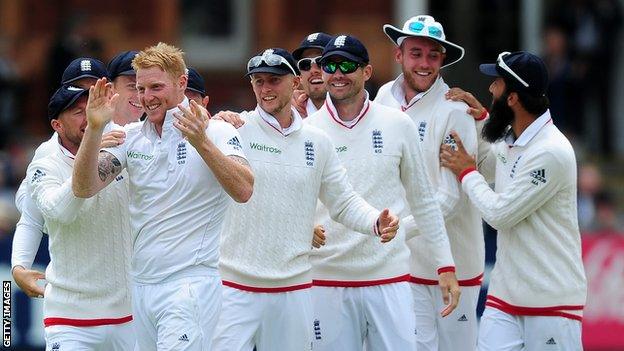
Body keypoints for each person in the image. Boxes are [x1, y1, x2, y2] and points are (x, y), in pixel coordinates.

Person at [212, 47, 399, 351]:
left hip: (294, 289)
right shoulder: (233, 130)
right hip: (234, 288)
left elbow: (343, 201)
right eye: (258, 81)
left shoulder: (317, 141)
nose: (265, 88)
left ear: (295, 83)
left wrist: (375, 222)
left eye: (274, 80)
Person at [72, 42, 254, 350]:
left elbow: (244, 190)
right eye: (141, 89)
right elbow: (83, 188)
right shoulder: (131, 138)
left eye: (156, 87)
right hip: (141, 287)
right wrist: (93, 129)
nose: (147, 98)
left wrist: (201, 142)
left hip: (189, 286)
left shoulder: (217, 131)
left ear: (182, 83)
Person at [304, 34, 457, 350]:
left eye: (348, 65)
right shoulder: (308, 131)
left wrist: (445, 265)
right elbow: (292, 202)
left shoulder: (397, 124)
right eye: (330, 65)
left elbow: (424, 201)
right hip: (326, 281)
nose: (338, 73)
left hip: (389, 280)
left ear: (367, 72)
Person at [439, 51, 587, 350]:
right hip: (504, 297)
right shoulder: (514, 140)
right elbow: (495, 166)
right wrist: (481, 121)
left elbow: (500, 213)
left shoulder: (551, 151)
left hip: (551, 302)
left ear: (512, 98)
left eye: (496, 83)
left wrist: (466, 172)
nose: (490, 89)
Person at [374, 15, 483, 350]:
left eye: (432, 56)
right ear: (399, 55)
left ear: (443, 60)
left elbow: (450, 199)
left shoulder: (455, 111)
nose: (424, 64)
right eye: (416, 53)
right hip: (401, 264)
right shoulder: (382, 99)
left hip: (454, 264)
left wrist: (396, 231)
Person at [25, 85, 134, 349]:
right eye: (77, 112)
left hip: (130, 316)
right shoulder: (44, 164)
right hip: (70, 318)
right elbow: (58, 211)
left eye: (91, 110)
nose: (89, 118)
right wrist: (92, 146)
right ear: (57, 125)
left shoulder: (119, 146)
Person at [11, 56, 115, 298]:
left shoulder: (123, 135)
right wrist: (19, 267)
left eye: (95, 89)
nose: (89, 99)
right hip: (76, 278)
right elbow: (32, 215)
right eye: (79, 90)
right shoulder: (48, 154)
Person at [291, 32, 333, 117]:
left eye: (321, 62)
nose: (313, 70)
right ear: (300, 77)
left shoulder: (358, 113)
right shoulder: (289, 116)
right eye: (305, 64)